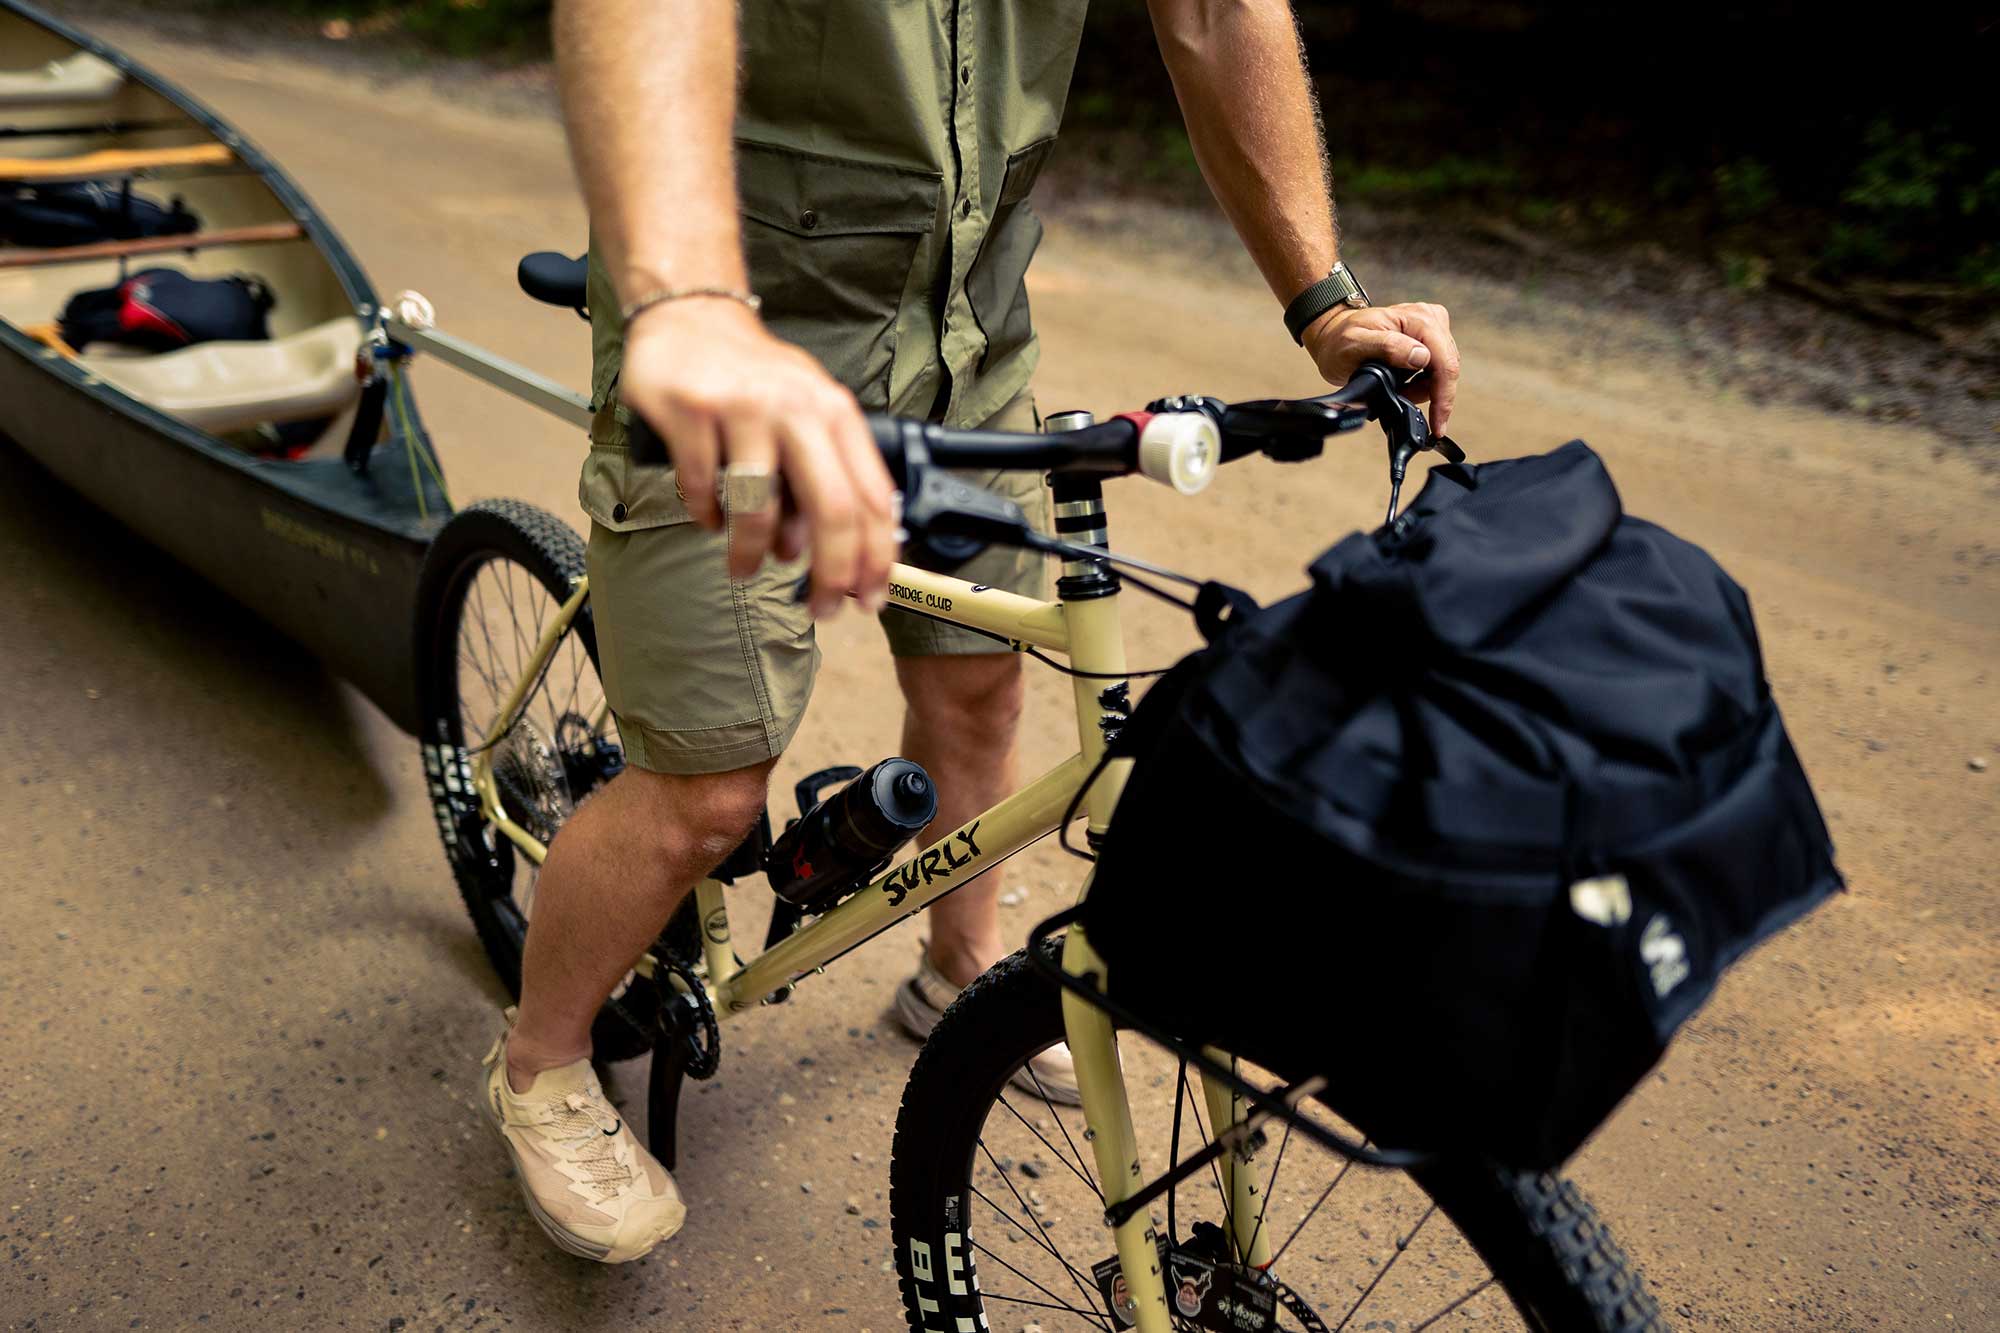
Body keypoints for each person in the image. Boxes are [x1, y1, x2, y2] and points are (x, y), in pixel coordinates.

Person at [481, 0, 1462, 1265]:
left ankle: (961, 966)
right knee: (705, 796)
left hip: (964, 343)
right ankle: (541, 1060)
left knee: (982, 697)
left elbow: (1215, 14)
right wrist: (681, 297)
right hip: (736, 342)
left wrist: (1327, 304)